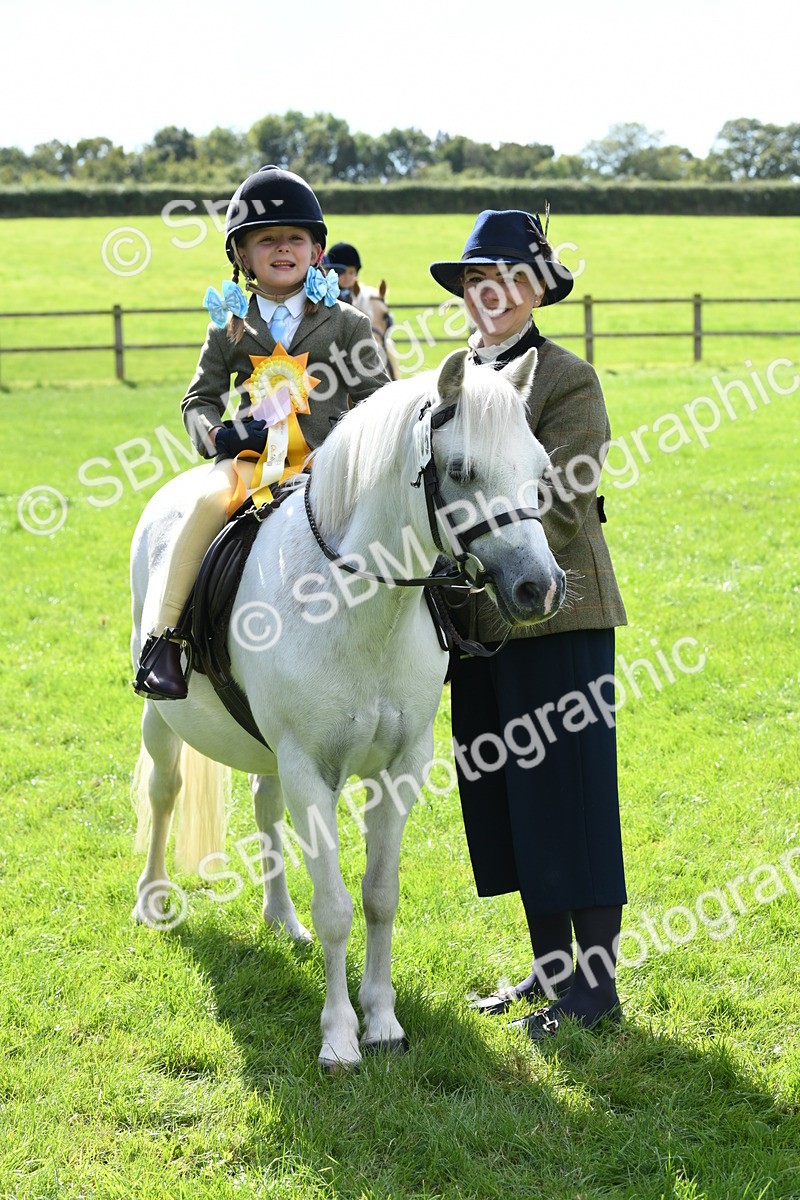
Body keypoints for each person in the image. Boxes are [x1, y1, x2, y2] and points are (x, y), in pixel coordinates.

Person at [429, 209, 628, 1040]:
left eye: (509, 280)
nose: (493, 295)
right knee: (508, 800)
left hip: (559, 613)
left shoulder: (567, 379)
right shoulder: (447, 378)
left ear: (537, 289)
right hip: (475, 622)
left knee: (569, 796)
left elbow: (566, 493)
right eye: (479, 282)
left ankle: (597, 988)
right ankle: (549, 973)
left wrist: (495, 551)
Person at [133, 166, 390, 700]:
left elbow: (376, 403)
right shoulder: (228, 324)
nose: (281, 249)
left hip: (328, 465)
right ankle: (166, 640)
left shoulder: (347, 323)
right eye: (265, 239)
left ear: (316, 250)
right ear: (242, 255)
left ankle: (440, 624)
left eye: (295, 238)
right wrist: (215, 437)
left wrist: (352, 450)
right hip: (248, 463)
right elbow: (198, 398)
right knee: (205, 503)